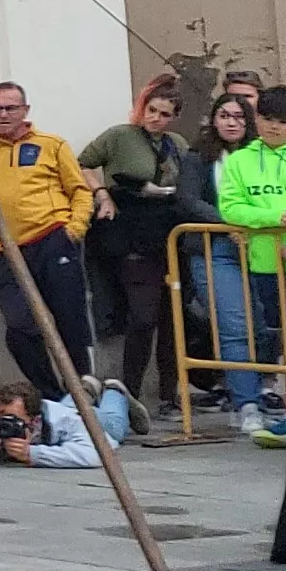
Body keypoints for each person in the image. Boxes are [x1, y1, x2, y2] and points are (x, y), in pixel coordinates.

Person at [0, 82, 95, 403]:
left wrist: (73, 230)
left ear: (25, 110)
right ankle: (52, 396)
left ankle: (83, 390)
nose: (2, 114)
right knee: (19, 327)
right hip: (6, 251)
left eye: (10, 108)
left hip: (52, 238)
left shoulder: (52, 145)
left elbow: (80, 191)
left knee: (69, 318)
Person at [82, 77, 191, 403]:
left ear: (174, 116)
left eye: (164, 114)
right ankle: (129, 391)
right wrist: (102, 194)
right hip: (130, 230)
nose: (155, 118)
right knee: (143, 316)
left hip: (168, 230)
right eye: (151, 110)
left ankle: (169, 394)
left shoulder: (177, 143)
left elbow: (187, 181)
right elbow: (83, 163)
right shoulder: (120, 135)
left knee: (173, 318)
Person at [179, 93, 263, 421]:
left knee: (265, 325)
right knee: (234, 325)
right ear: (213, 120)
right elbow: (188, 199)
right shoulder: (198, 156)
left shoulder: (262, 154)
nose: (231, 123)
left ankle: (264, 391)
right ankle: (246, 405)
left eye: (239, 116)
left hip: (260, 244)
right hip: (215, 246)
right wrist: (229, 222)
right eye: (224, 116)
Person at [0, 384, 115, 468]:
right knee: (72, 402)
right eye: (1, 416)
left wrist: (31, 453)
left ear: (35, 420)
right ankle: (83, 389)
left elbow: (97, 455)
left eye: (13, 419)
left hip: (100, 422)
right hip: (64, 408)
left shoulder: (65, 421)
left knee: (113, 417)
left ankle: (116, 391)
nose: (6, 423)